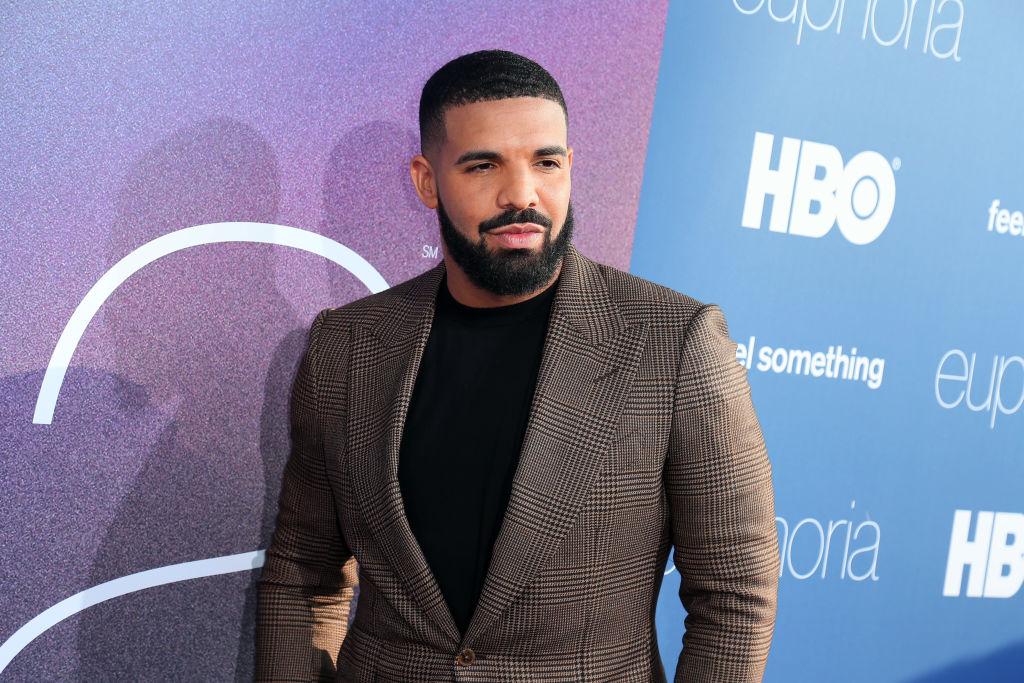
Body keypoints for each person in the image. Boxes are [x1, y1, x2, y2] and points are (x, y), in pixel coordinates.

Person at [255, 49, 779, 682]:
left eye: (546, 163)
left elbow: (735, 592)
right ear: (427, 180)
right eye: (483, 166)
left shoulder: (674, 342)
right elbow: (303, 571)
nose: (522, 195)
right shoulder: (348, 345)